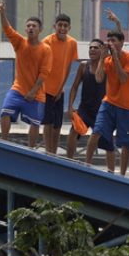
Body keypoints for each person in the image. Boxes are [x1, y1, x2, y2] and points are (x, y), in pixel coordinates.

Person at [86, 11, 129, 175]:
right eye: (108, 41)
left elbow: (123, 79)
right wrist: (102, 58)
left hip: (127, 107)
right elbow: (99, 78)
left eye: (113, 41)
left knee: (126, 144)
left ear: (121, 43)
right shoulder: (106, 60)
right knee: (96, 133)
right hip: (109, 103)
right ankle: (86, 165)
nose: (110, 44)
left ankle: (122, 175)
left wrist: (115, 57)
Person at [0, 2, 50, 147]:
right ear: (25, 29)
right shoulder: (20, 42)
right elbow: (7, 29)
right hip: (18, 89)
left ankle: (30, 149)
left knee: (35, 123)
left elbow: (44, 73)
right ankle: (4, 142)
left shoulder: (45, 49)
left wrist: (33, 92)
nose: (31, 28)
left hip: (36, 94)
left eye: (34, 26)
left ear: (40, 30)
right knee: (5, 111)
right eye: (29, 26)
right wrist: (2, 13)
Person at [64, 38, 115, 170]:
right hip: (85, 109)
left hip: (101, 111)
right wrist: (70, 107)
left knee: (108, 143)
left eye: (96, 47)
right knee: (73, 131)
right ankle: (69, 163)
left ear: (102, 50)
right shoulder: (83, 66)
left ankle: (112, 171)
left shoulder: (107, 66)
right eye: (90, 47)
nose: (92, 49)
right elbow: (74, 87)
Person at [40, 13, 78, 155]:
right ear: (54, 26)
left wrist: (61, 88)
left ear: (69, 28)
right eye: (59, 25)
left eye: (65, 26)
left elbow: (68, 66)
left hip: (59, 91)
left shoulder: (72, 43)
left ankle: (53, 153)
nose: (62, 28)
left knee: (57, 124)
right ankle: (48, 152)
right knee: (48, 123)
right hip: (45, 89)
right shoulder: (47, 41)